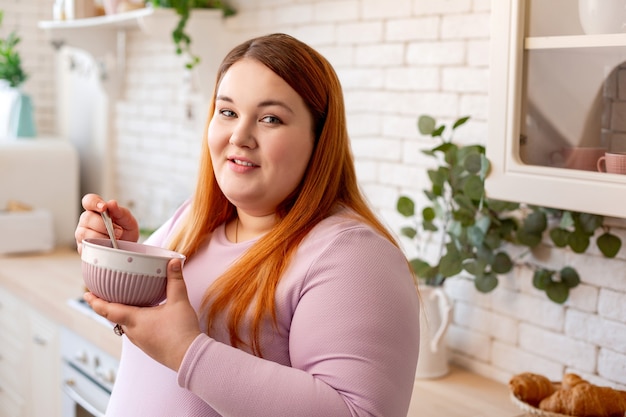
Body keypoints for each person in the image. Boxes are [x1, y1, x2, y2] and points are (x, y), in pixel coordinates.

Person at [75, 33, 420, 417]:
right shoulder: (191, 220)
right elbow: (143, 326)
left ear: (319, 139)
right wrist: (117, 253)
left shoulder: (354, 258)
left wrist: (188, 352)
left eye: (270, 118)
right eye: (228, 112)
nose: (240, 136)